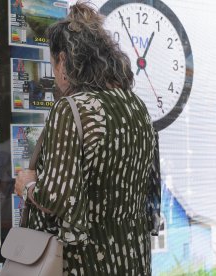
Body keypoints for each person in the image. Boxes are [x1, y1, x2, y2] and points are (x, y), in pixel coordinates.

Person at [14, 2, 161, 275]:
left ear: (63, 60)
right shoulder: (136, 106)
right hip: (133, 258)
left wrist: (27, 184)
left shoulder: (72, 109)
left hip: (86, 261)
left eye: (53, 63)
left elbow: (58, 199)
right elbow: (150, 189)